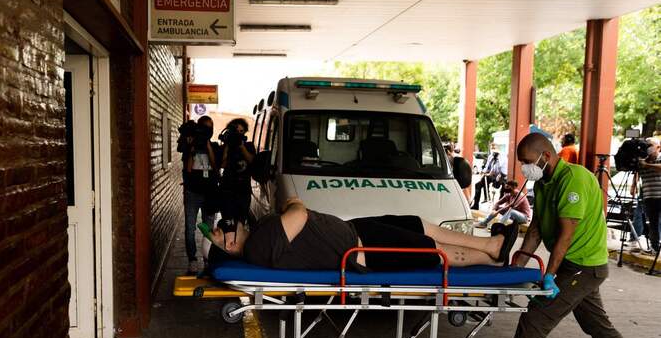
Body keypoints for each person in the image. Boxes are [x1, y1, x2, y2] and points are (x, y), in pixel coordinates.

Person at [464, 132, 661, 338]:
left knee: (537, 317)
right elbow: (535, 230)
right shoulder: (544, 183)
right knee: (599, 328)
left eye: (526, 161)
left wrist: (549, 277)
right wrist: (513, 269)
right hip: (574, 264)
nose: (524, 167)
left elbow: (565, 237)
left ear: (545, 155)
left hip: (584, 265)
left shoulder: (574, 180)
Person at [203, 198, 520, 271]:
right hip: (361, 251)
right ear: (230, 246)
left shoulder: (259, 235)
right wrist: (293, 201)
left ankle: (490, 243)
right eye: (220, 234)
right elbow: (298, 214)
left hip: (356, 231)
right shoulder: (258, 246)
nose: (224, 228)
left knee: (417, 223)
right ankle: (490, 254)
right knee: (429, 247)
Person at [177, 116, 219, 273]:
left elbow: (216, 167)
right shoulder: (190, 146)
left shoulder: (214, 146)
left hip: (210, 193)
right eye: (204, 128)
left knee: (208, 229)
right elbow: (188, 169)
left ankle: (208, 259)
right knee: (190, 227)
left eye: (210, 128)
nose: (207, 131)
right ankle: (192, 259)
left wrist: (208, 146)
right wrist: (192, 150)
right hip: (192, 192)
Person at [219, 118, 256, 224]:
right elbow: (222, 164)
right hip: (227, 190)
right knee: (228, 222)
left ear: (245, 132)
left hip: (243, 191)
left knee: (240, 223)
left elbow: (251, 160)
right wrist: (227, 146)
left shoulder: (249, 145)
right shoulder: (226, 146)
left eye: (241, 131)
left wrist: (241, 146)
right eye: (236, 132)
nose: (238, 134)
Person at [635, 137, 661, 253]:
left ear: (658, 147)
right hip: (649, 197)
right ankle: (654, 248)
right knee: (653, 224)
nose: (648, 148)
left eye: (651, 145)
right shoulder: (641, 161)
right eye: (647, 146)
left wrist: (646, 165)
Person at [471, 143, 508, 210]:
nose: (493, 150)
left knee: (504, 187)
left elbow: (499, 167)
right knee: (478, 184)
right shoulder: (490, 156)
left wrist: (496, 158)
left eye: (494, 148)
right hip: (492, 175)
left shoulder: (502, 157)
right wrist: (483, 171)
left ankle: (499, 207)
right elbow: (487, 166)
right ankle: (476, 205)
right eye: (492, 148)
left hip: (501, 175)